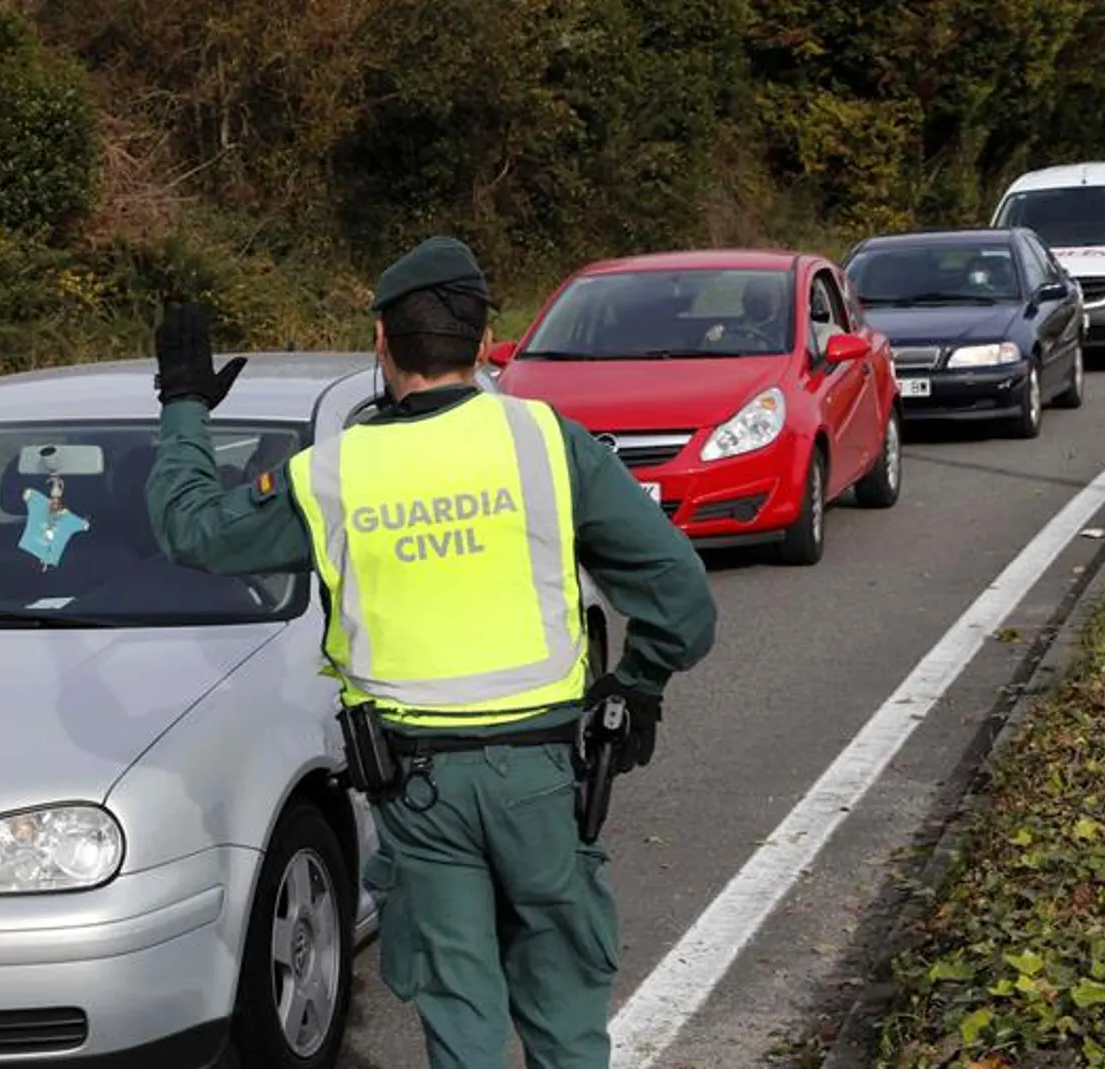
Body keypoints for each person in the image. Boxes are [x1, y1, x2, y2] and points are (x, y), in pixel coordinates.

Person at [144, 235, 718, 1069]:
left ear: (382, 340)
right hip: (543, 778)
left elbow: (192, 530)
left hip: (418, 789)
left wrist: (185, 403)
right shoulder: (546, 443)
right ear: (487, 345)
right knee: (564, 1017)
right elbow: (681, 596)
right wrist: (638, 685)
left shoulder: (335, 472)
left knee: (461, 1017)